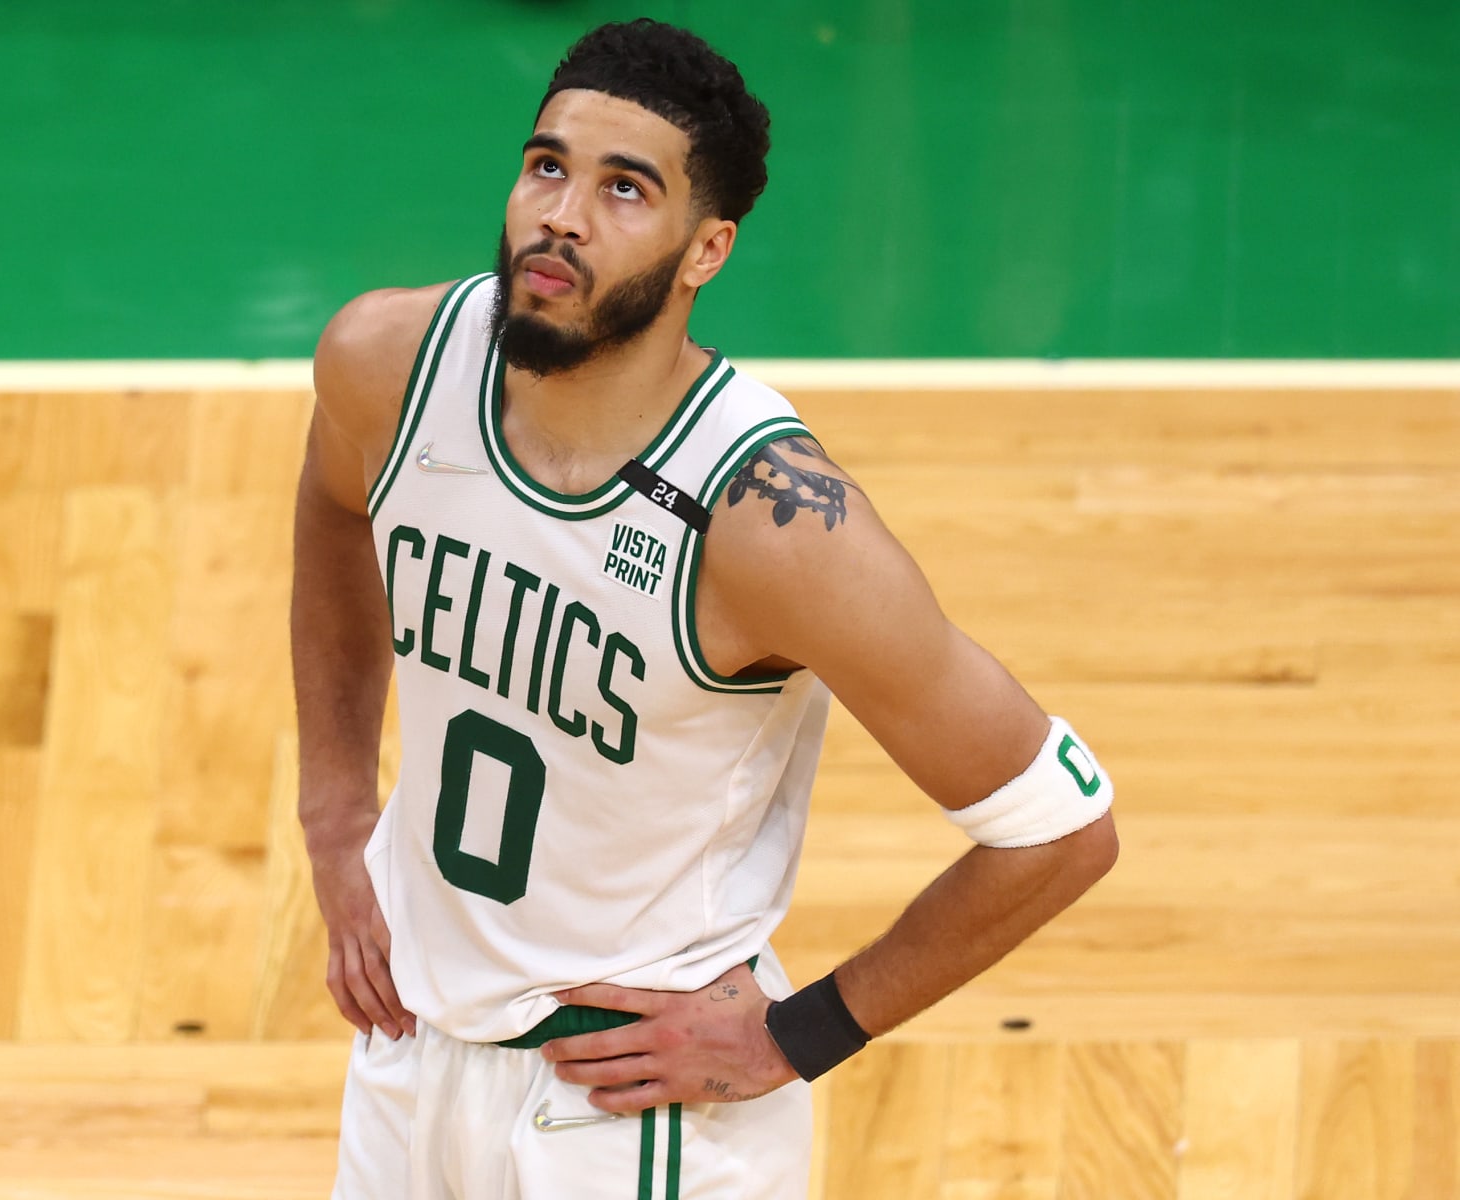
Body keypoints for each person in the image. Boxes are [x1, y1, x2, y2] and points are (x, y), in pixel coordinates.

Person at [291, 18, 1118, 1199]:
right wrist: (332, 808)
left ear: (706, 250)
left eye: (625, 189)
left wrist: (799, 1033)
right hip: (407, 1055)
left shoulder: (774, 527)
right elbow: (333, 508)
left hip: (633, 1116)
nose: (562, 215)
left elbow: (1060, 829)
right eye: (548, 166)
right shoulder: (389, 360)